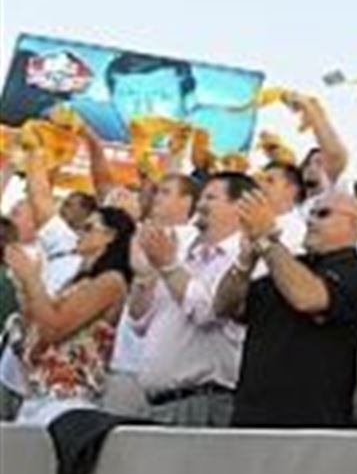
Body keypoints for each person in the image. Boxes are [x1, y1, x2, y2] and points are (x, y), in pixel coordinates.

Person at [213, 189, 357, 428]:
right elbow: (224, 306)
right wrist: (245, 261)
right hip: (251, 419)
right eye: (309, 214)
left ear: (353, 224)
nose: (310, 221)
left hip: (312, 424)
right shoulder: (288, 265)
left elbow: (307, 298)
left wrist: (268, 240)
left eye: (323, 214)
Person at [129, 171, 255, 426]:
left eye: (211, 198)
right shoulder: (183, 254)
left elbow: (209, 313)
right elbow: (139, 322)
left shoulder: (245, 260)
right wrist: (144, 276)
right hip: (156, 403)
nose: (200, 205)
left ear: (240, 206)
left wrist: (168, 266)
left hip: (200, 403)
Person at [4, 206, 134, 424]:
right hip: (38, 395)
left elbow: (54, 329)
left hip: (68, 401)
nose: (80, 234)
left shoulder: (111, 281)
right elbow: (36, 330)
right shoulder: (77, 282)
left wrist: (32, 279)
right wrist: (25, 290)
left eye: (89, 228)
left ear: (110, 236)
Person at [102, 174, 199, 417]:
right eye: (157, 192)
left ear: (187, 201)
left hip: (161, 366)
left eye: (166, 192)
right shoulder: (141, 234)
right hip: (125, 362)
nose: (157, 198)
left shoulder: (194, 239)